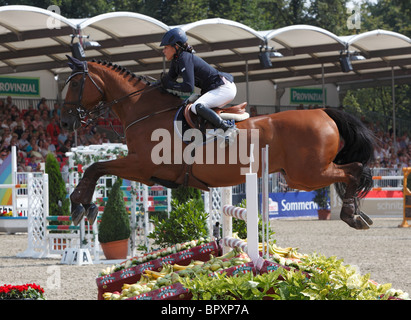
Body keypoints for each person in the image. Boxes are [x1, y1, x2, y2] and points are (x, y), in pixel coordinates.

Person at [158, 28, 238, 143]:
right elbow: (168, 80)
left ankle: (227, 128)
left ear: (175, 46)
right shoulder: (176, 61)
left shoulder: (184, 58)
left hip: (223, 88)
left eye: (166, 47)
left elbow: (188, 87)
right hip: (215, 88)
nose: (163, 51)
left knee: (197, 106)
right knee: (192, 104)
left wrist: (170, 85)